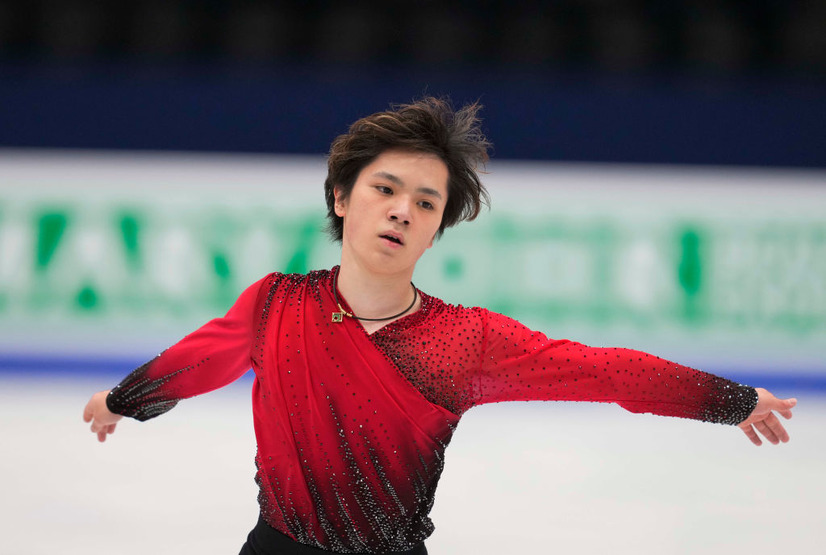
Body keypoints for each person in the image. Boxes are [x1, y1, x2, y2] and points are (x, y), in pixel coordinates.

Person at [83, 97, 796, 555]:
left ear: (436, 231)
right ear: (342, 196)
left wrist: (727, 399)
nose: (401, 210)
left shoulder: (465, 342)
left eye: (424, 203)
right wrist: (125, 399)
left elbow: (602, 369)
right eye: (385, 189)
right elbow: (199, 359)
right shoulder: (275, 303)